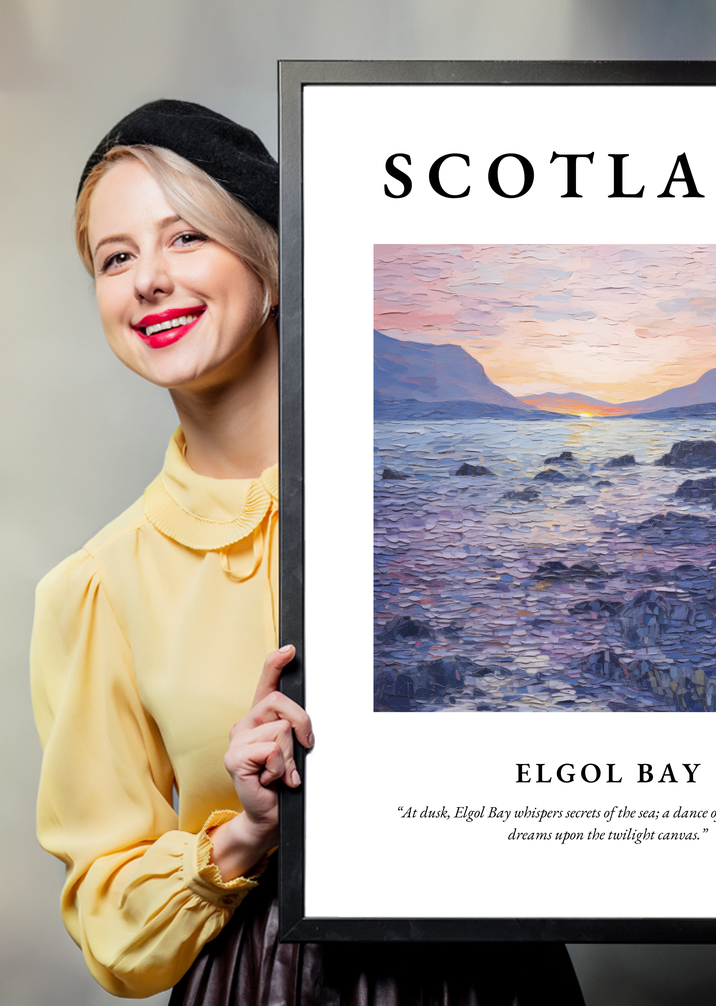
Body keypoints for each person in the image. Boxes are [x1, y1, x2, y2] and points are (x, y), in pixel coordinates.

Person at [30, 100, 586, 1004]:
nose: (148, 281)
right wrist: (244, 832)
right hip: (262, 982)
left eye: (185, 238)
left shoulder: (442, 503)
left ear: (272, 263)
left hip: (492, 973)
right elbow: (110, 923)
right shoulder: (97, 587)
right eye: (116, 257)